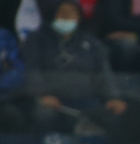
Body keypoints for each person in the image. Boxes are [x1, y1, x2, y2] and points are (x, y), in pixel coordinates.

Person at [24, 1, 130, 135]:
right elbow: (32, 70)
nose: (66, 16)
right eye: (62, 12)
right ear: (54, 14)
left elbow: (103, 72)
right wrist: (41, 95)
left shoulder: (91, 43)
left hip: (85, 99)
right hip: (52, 101)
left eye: (72, 13)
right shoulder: (36, 40)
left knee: (112, 115)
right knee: (43, 115)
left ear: (78, 17)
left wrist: (113, 97)